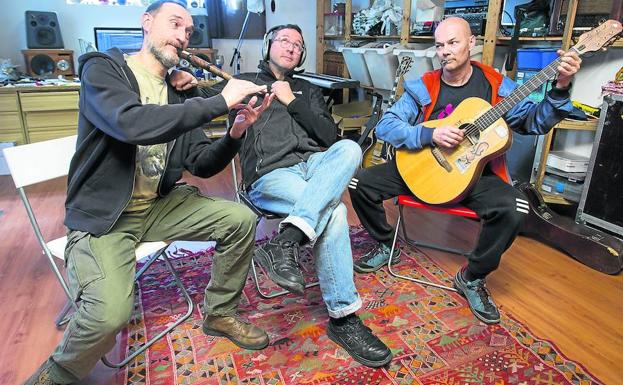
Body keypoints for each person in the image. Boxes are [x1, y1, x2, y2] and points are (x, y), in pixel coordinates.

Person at [24, 1, 274, 384]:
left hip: (158, 205)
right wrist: (219, 101)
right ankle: (57, 375)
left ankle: (220, 313)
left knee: (240, 219)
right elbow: (130, 123)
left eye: (189, 31)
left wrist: (234, 131)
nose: (183, 35)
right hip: (106, 216)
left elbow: (202, 165)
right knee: (109, 316)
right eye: (175, 24)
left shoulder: (180, 93)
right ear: (145, 23)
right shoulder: (103, 70)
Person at [348, 17, 582, 324]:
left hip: (474, 178)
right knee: (357, 182)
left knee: (517, 208)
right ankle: (384, 242)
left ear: (472, 43)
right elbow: (387, 125)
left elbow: (534, 122)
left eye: (453, 43)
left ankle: (472, 277)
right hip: (424, 167)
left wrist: (561, 86)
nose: (445, 51)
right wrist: (429, 134)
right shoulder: (425, 86)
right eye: (440, 45)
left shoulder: (498, 87)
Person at [209, 24, 392, 368]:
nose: (291, 48)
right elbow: (203, 100)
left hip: (315, 166)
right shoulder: (244, 81)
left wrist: (292, 100)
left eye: (298, 44)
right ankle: (344, 319)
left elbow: (329, 137)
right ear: (268, 45)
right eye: (284, 41)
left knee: (350, 148)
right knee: (334, 212)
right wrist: (179, 83)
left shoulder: (307, 90)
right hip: (271, 175)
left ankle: (287, 238)